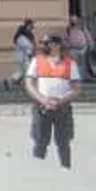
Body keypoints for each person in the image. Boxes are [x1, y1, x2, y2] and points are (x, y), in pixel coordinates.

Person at [24, 32, 81, 169]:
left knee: (63, 141)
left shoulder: (69, 63)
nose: (51, 46)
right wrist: (42, 99)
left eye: (55, 44)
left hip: (62, 108)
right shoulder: (37, 61)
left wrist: (61, 99)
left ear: (60, 46)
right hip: (42, 107)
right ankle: (37, 169)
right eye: (48, 44)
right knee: (40, 140)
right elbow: (29, 83)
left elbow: (77, 88)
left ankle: (65, 166)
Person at [5, 19, 35, 89]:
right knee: (27, 72)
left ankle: (10, 81)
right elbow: (27, 47)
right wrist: (30, 54)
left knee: (22, 71)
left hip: (25, 57)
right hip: (24, 58)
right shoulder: (21, 37)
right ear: (28, 26)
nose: (33, 27)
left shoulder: (26, 36)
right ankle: (22, 84)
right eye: (32, 25)